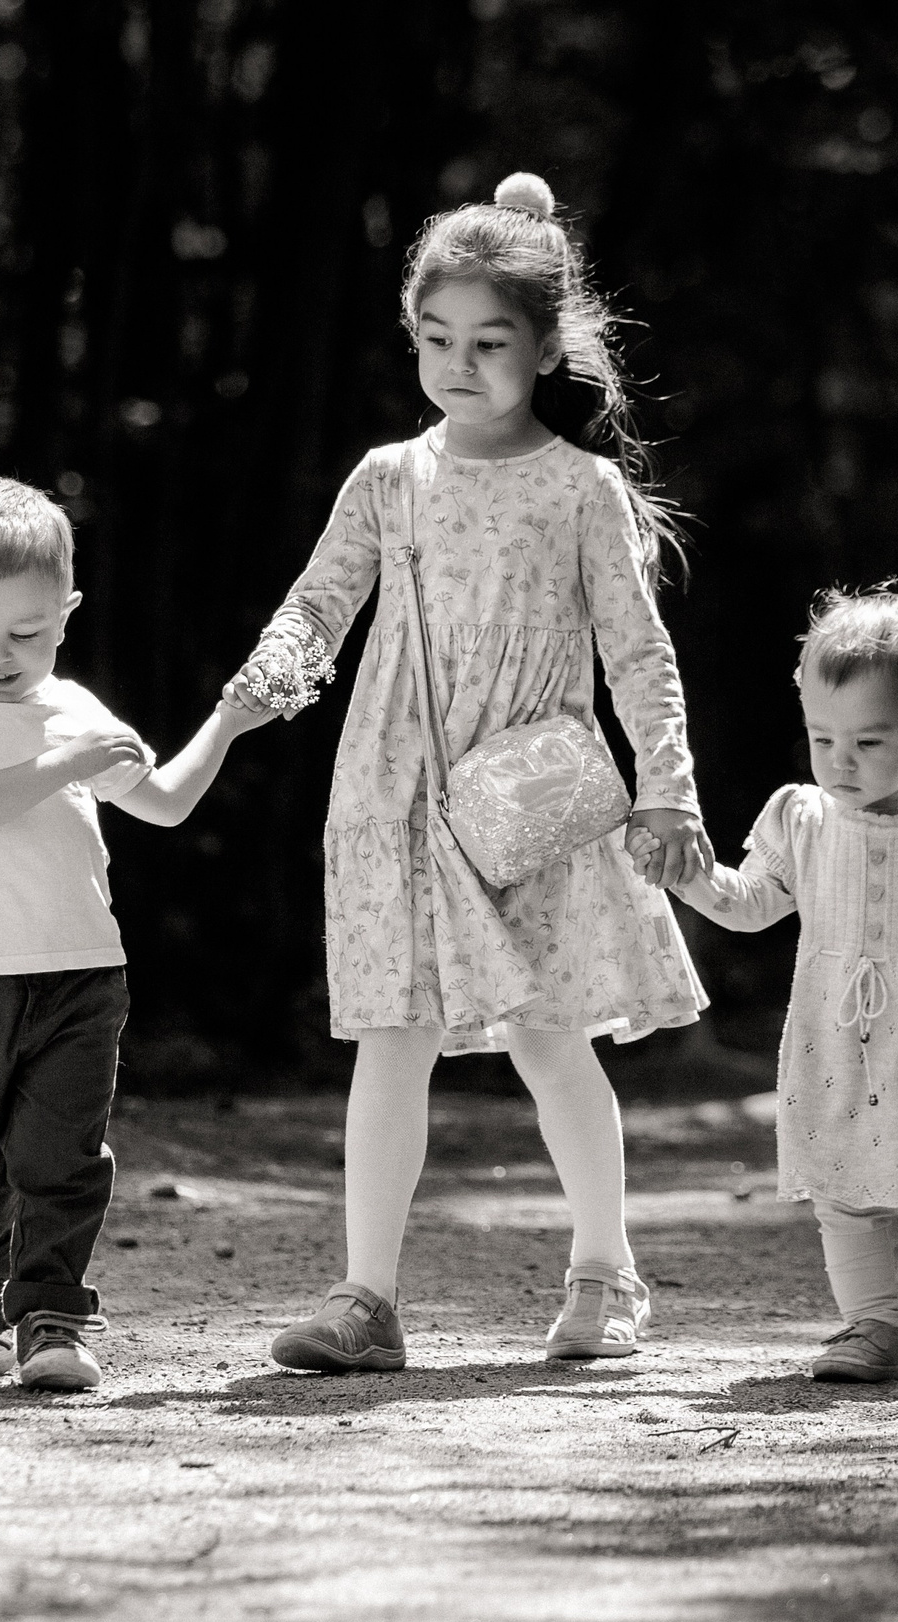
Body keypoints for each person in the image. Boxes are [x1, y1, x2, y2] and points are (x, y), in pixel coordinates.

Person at [225, 171, 712, 1371]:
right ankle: (366, 1298)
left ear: (545, 348)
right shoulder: (389, 477)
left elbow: (637, 652)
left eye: (489, 341)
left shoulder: (581, 488)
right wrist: (262, 682)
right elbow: (318, 603)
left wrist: (669, 788)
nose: (458, 362)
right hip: (396, 792)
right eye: (436, 338)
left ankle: (606, 1270)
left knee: (551, 1036)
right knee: (391, 1034)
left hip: (535, 799)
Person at [0, 478, 270, 1392]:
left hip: (81, 973)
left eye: (25, 633)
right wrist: (61, 763)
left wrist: (228, 721)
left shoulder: (80, 709)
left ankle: (54, 1317)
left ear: (65, 615)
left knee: (62, 1155)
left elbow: (166, 802)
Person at [651, 587, 898, 1383]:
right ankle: (871, 1330)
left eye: (868, 741)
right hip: (838, 1045)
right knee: (841, 1194)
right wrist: (689, 878)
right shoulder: (801, 818)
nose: (840, 761)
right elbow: (752, 903)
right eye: (822, 737)